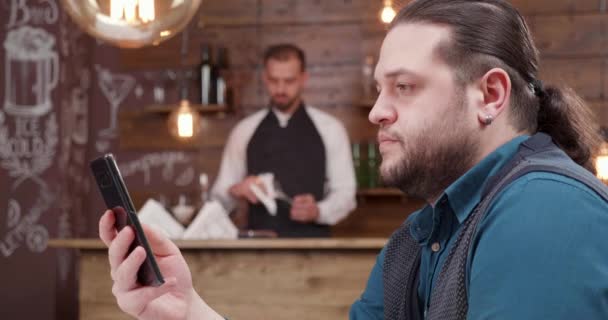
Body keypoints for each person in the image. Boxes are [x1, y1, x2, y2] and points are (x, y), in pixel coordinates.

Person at [98, 1, 608, 319]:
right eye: (379, 90)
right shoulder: (417, 240)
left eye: (403, 87)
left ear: (490, 95)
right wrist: (187, 312)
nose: (377, 112)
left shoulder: (545, 213)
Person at [209, 43, 356, 237]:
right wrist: (236, 190)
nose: (280, 88)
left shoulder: (330, 129)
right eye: (273, 80)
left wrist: (318, 211)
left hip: (316, 251)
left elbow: (346, 194)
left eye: (289, 81)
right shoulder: (244, 131)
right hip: (256, 252)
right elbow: (217, 201)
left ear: (304, 79)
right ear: (264, 78)